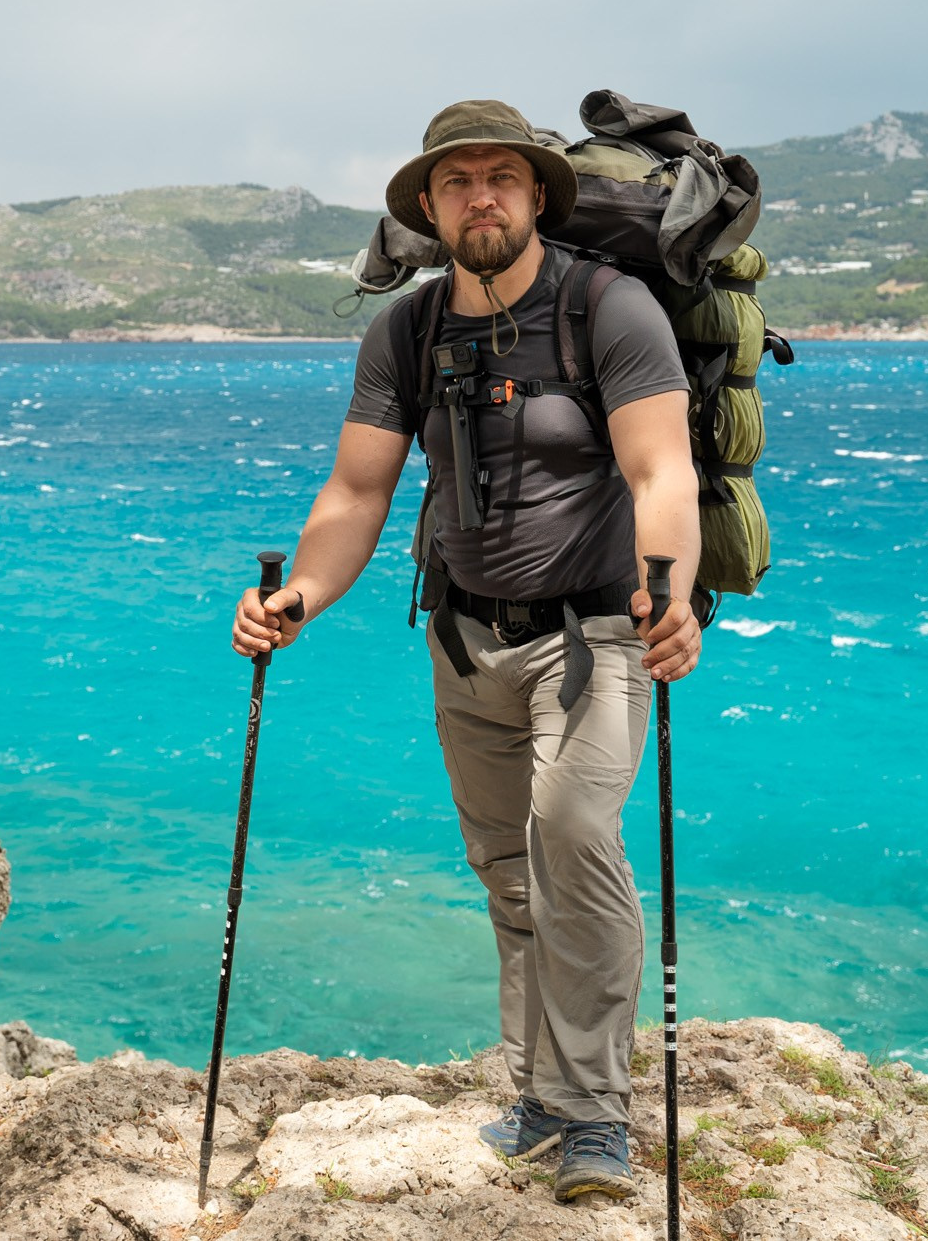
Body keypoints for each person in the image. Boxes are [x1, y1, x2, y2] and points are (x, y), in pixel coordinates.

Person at [229, 99, 702, 1204]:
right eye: (456, 181)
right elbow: (357, 490)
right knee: (508, 873)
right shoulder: (407, 327)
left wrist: (665, 588)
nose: (479, 195)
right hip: (462, 637)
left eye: (500, 176)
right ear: (430, 206)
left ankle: (596, 1115)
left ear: (537, 194)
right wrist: (300, 594)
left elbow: (658, 472)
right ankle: (541, 1091)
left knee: (571, 832)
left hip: (595, 632)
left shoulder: (608, 307)